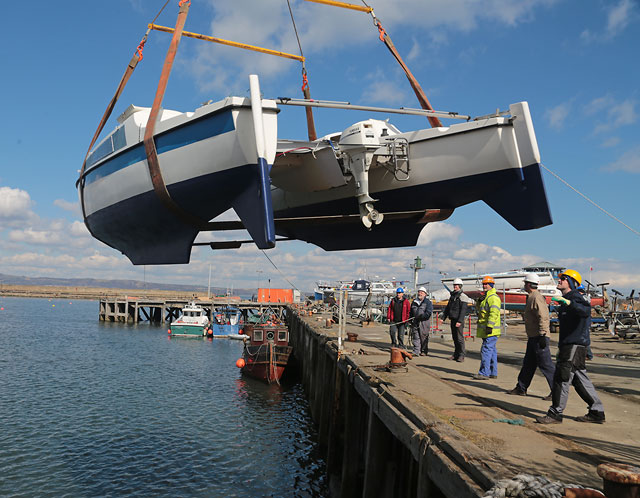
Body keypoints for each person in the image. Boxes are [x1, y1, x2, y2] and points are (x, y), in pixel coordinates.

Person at [536, 269, 605, 424]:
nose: (559, 280)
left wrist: (569, 303)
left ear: (572, 283)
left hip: (574, 344)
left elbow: (586, 311)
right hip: (570, 344)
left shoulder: (575, 297)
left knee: (562, 378)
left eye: (563, 279)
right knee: (580, 379)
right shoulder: (566, 299)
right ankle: (597, 411)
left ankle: (555, 413)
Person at [507, 273, 554, 397]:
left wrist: (543, 334)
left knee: (546, 365)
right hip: (534, 337)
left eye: (524, 283)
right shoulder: (531, 296)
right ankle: (521, 388)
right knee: (528, 364)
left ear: (528, 284)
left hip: (539, 337)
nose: (524, 285)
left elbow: (543, 316)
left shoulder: (536, 297)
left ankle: (557, 391)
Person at [473, 276, 501, 380]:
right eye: (483, 284)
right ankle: (493, 372)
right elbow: (480, 311)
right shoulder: (486, 297)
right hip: (488, 330)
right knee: (491, 351)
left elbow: (494, 313)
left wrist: (489, 326)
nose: (484, 286)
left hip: (490, 330)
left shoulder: (493, 297)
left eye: (486, 284)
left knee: (486, 350)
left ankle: (484, 373)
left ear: (491, 285)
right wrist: (479, 302)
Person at [441, 278, 468, 362]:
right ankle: (456, 354)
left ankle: (461, 355)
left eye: (456, 285)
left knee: (460, 338)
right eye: (454, 285)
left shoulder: (463, 296)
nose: (455, 287)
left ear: (460, 286)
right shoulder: (452, 296)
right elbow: (448, 308)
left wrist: (459, 321)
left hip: (458, 321)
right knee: (455, 338)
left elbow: (463, 310)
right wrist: (443, 318)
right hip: (452, 319)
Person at [410, 287, 432, 356]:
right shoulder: (414, 302)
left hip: (424, 322)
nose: (420, 293)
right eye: (419, 292)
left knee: (424, 337)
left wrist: (421, 316)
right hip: (415, 322)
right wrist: (410, 320)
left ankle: (424, 350)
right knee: (416, 337)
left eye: (422, 292)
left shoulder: (428, 302)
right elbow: (411, 312)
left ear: (425, 294)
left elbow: (428, 313)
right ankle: (416, 351)